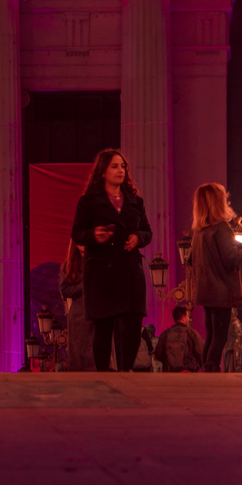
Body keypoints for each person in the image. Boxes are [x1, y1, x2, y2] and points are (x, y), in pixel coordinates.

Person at [70, 148, 153, 372]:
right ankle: (104, 375)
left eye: (123, 166)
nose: (121, 170)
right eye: (115, 166)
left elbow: (147, 231)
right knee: (104, 326)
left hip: (129, 270)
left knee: (133, 323)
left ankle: (126, 371)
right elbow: (77, 232)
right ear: (103, 172)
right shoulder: (88, 202)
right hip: (101, 271)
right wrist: (94, 235)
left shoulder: (135, 201)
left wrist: (138, 237)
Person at [189, 182, 242, 373]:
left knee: (210, 334)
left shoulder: (199, 231)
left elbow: (190, 259)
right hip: (221, 291)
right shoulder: (221, 227)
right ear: (218, 202)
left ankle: (205, 369)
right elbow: (231, 258)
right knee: (220, 336)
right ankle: (211, 369)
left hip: (206, 291)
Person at [59, 239, 95, 372]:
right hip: (79, 317)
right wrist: (84, 286)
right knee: (79, 360)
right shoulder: (71, 264)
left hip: (98, 315)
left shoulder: (98, 261)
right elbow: (65, 290)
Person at [156, 305, 205, 372]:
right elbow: (200, 353)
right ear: (183, 318)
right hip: (188, 371)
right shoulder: (192, 333)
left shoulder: (165, 334)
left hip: (169, 371)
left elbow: (158, 354)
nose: (189, 319)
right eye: (187, 316)